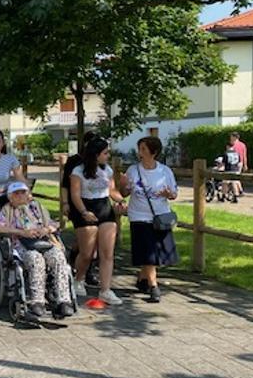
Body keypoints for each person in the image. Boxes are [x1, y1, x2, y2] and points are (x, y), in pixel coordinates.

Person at [0, 182, 75, 318]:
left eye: (23, 192)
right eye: (16, 193)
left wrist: (46, 229)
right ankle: (37, 302)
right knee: (35, 259)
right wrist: (22, 232)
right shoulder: (7, 210)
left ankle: (64, 301)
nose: (21, 195)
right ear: (10, 197)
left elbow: (53, 224)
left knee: (58, 256)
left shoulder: (37, 207)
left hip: (44, 242)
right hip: (21, 245)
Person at [120, 136, 179, 303]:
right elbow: (124, 193)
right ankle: (154, 286)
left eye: (144, 149)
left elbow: (174, 194)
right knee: (148, 252)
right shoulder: (133, 170)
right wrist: (123, 184)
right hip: (139, 216)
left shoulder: (165, 171)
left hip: (160, 216)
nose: (140, 152)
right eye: (139, 149)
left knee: (156, 252)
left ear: (154, 152)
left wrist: (168, 194)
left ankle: (142, 279)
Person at [69, 137, 127, 305]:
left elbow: (111, 190)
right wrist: (84, 212)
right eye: (105, 153)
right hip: (85, 208)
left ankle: (105, 290)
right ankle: (78, 279)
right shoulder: (78, 171)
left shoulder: (107, 170)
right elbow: (75, 195)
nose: (108, 156)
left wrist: (121, 200)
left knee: (107, 253)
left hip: (104, 208)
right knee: (87, 254)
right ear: (96, 154)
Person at [60, 131, 101, 285]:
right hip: (77, 204)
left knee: (92, 239)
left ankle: (85, 265)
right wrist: (65, 203)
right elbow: (65, 184)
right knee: (85, 239)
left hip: (96, 204)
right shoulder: (74, 161)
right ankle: (82, 267)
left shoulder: (100, 161)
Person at [223, 133, 244, 200]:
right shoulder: (237, 153)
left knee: (225, 182)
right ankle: (236, 195)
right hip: (235, 168)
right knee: (234, 182)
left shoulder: (226, 154)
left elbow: (224, 162)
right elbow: (240, 160)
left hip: (228, 169)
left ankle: (224, 195)